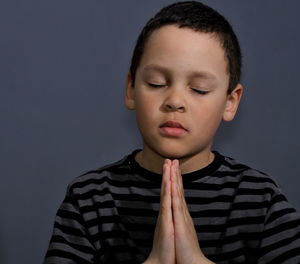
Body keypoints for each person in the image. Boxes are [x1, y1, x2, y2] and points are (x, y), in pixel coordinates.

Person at [43, 1, 300, 263]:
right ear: (131, 88)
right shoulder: (89, 199)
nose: (175, 100)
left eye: (199, 89)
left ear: (230, 101)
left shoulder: (259, 201)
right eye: (157, 83)